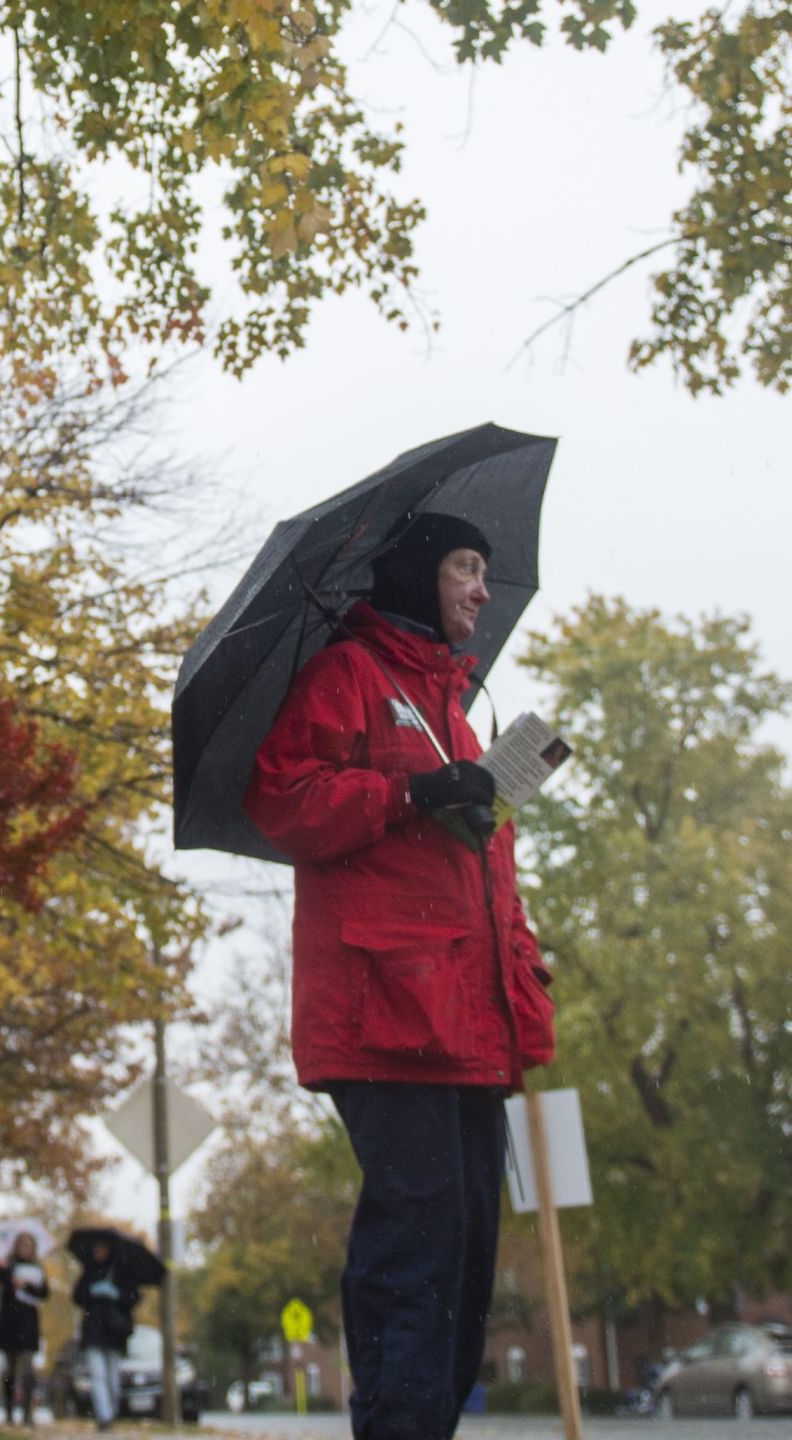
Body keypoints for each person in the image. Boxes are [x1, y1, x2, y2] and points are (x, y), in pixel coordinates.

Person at [242, 510, 558, 1440]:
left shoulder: (459, 711)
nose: (479, 589)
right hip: (386, 1016)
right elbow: (282, 801)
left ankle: (424, 1427)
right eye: (465, 567)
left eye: (485, 572)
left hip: (468, 1023)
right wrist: (412, 791)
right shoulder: (350, 675)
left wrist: (525, 966)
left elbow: (480, 872)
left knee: (465, 1256)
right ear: (419, 574)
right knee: (416, 1247)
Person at [72, 1237, 139, 1430]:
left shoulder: (122, 1272)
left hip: (114, 1331)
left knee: (112, 1375)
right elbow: (77, 1296)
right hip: (93, 1330)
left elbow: (132, 1297)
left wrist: (116, 1294)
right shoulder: (89, 1272)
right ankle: (104, 1415)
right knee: (97, 1374)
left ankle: (111, 1410)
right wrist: (92, 1292)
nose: (97, 1252)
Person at [0, 1233, 50, 1425]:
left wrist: (26, 1285)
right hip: (8, 1324)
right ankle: (9, 1411)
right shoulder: (7, 1267)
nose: (25, 1249)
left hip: (29, 1325)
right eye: (22, 1245)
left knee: (28, 1369)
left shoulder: (37, 1268)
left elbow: (44, 1293)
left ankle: (28, 1412)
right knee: (9, 1370)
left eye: (28, 1246)